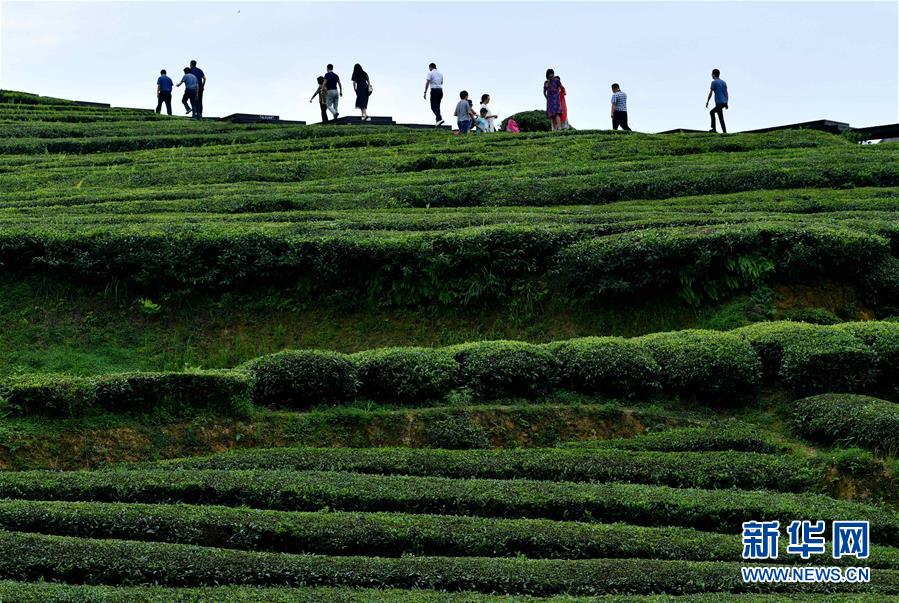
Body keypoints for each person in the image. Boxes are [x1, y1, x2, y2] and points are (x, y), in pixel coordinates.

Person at [706, 68, 728, 133]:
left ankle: (714, 129)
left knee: (711, 112)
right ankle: (724, 131)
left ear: (714, 74)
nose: (711, 75)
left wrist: (707, 101)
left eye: (712, 74)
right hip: (724, 102)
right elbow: (726, 93)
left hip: (719, 103)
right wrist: (726, 103)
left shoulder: (714, 82)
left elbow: (711, 93)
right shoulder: (724, 82)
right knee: (720, 117)